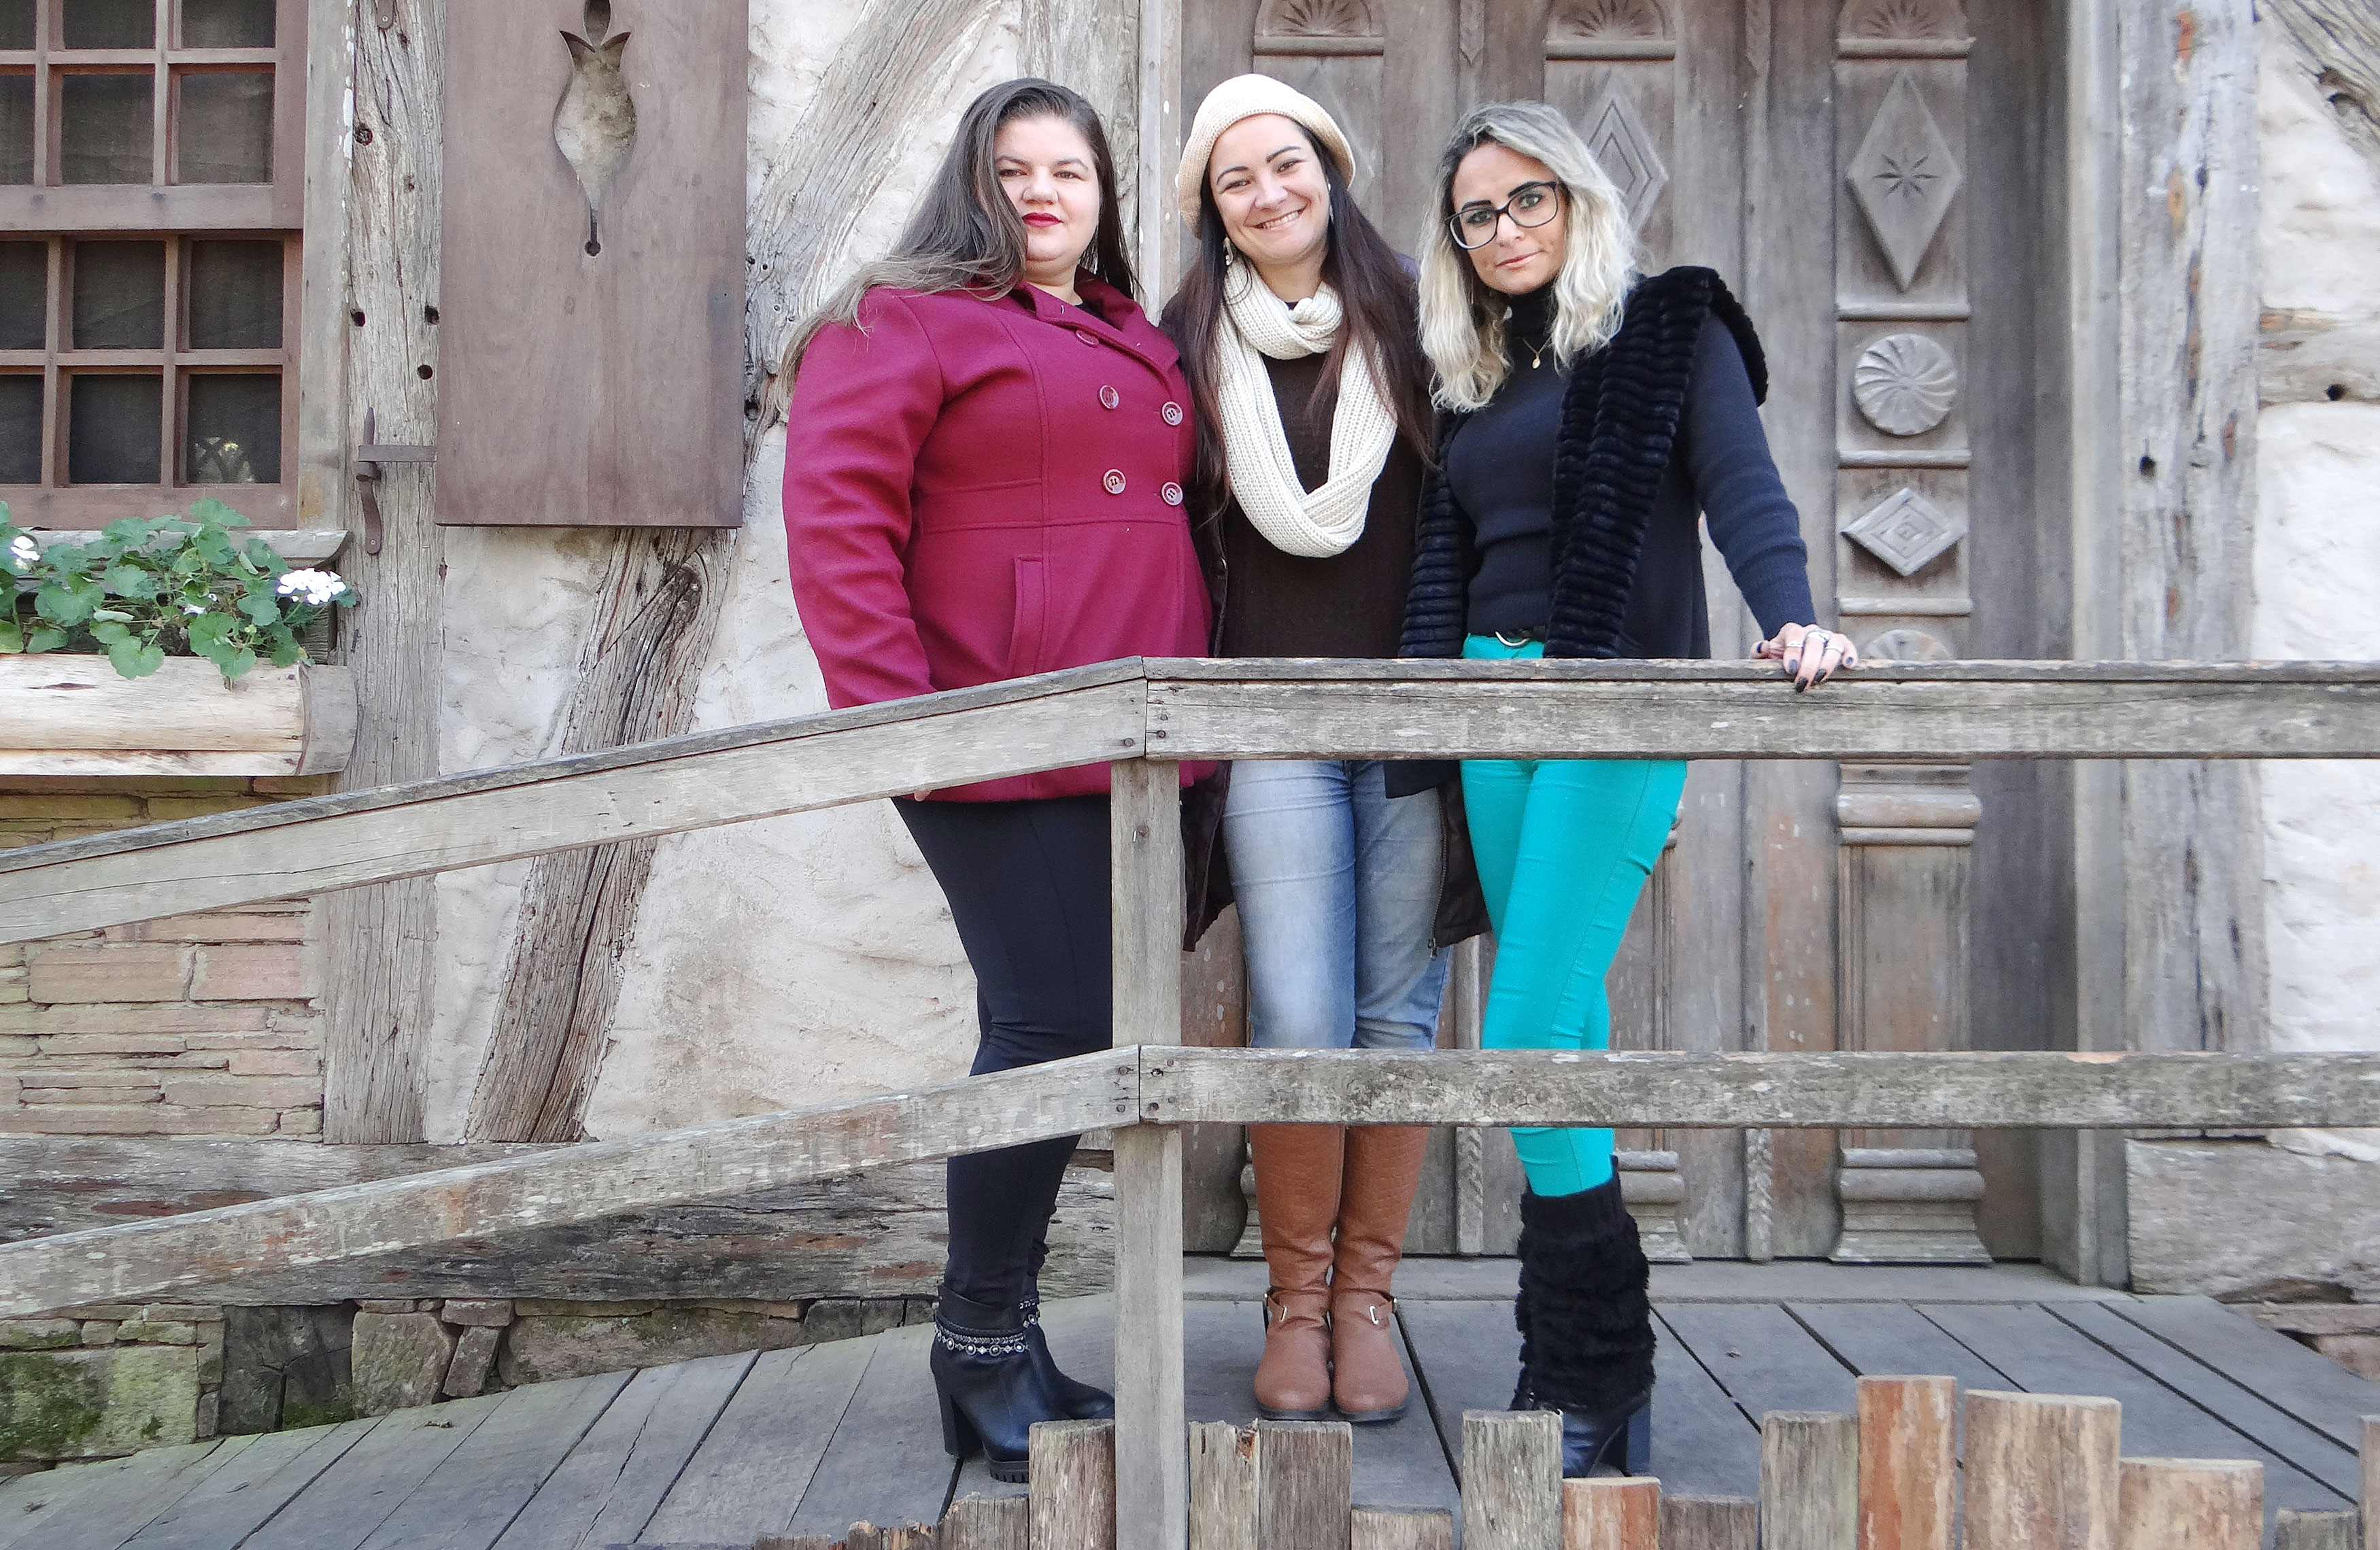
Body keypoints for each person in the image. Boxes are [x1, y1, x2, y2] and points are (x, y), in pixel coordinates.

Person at [1401, 101, 1856, 1477]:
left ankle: (1593, 1365)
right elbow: (1452, 542)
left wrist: (1793, 615)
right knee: (1568, 1026)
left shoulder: (1667, 327)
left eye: (1526, 199)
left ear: (1577, 197)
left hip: (1616, 698)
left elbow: (1742, 488)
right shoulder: (1473, 372)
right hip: (1488, 702)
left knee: (1527, 1031)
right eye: (1476, 216)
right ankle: (1582, 1363)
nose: (1503, 230)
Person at [779, 78, 1212, 1483]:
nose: (1042, 194)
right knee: (1052, 1024)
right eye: (1013, 170)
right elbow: (838, 518)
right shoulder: (897, 320)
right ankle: (974, 1341)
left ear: (1102, 195)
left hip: (1129, 736)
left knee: (1073, 1032)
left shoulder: (1136, 331)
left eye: (1069, 172)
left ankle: (1006, 1337)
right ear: (972, 184)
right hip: (989, 729)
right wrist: (902, 728)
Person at [1162, 75, 1486, 1426]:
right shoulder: (1184, 339)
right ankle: (1294, 1302)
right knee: (1299, 1015)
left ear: (1331, 170)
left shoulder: (1427, 314)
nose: (1268, 192)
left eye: (1286, 162)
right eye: (1235, 178)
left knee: (1394, 1019)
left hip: (1408, 726)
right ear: (1212, 207)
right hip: (1270, 727)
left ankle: (1366, 1302)